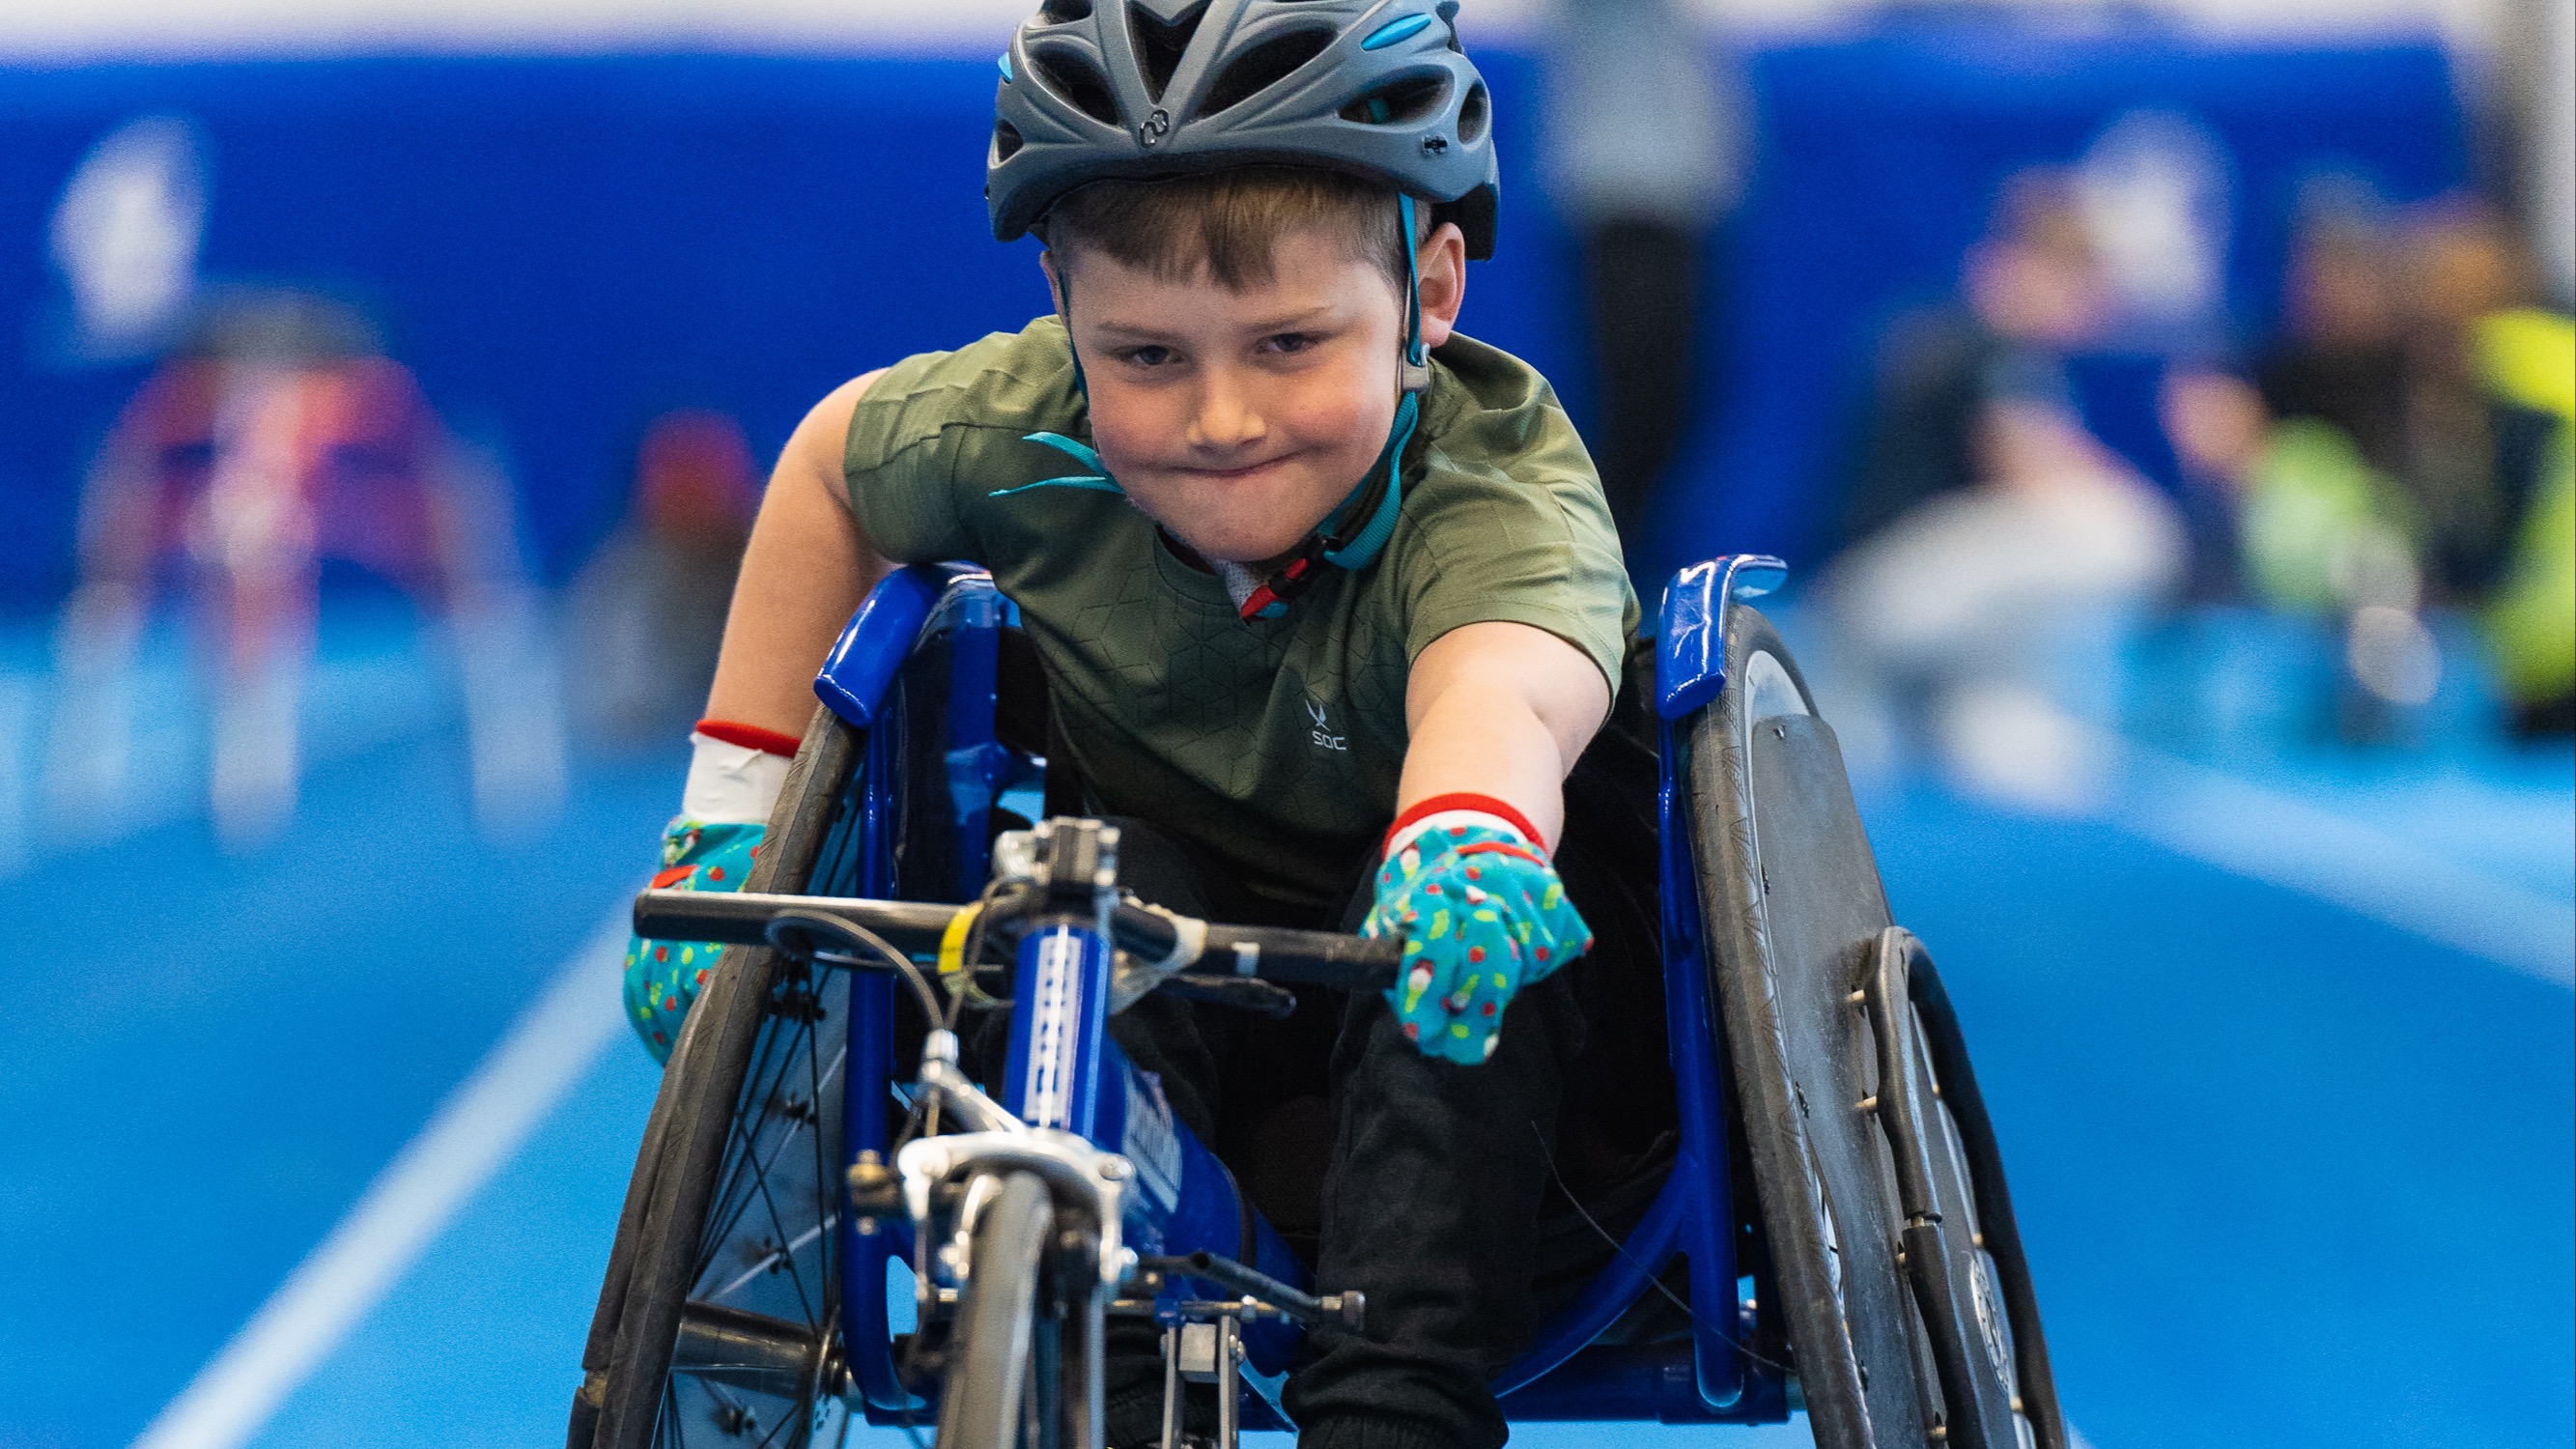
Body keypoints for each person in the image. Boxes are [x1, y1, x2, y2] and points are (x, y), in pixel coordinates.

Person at [626, 5, 1675, 1446]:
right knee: (1083, 892)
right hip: (1183, 1008)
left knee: (1439, 944)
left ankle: (1395, 1406)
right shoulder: (1012, 430)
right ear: (1064, 305)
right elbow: (827, 469)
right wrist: (729, 821)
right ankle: (1098, 1377)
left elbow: (1500, 679)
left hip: (1505, 1044)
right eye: (1147, 357)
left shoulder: (1494, 484)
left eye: (1292, 341)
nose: (1223, 416)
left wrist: (1470, 831)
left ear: (1432, 291)